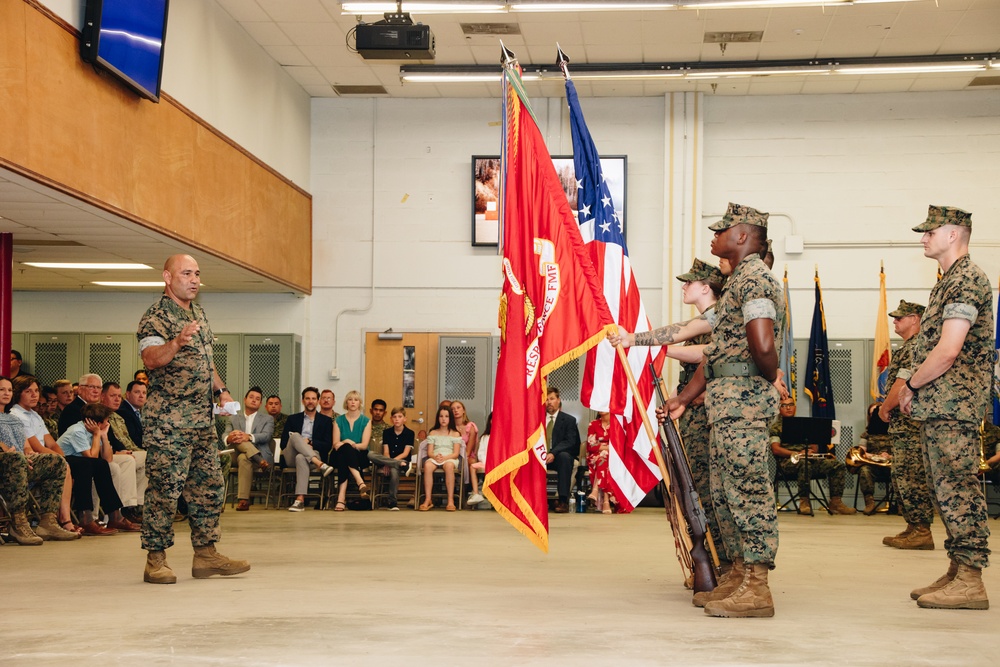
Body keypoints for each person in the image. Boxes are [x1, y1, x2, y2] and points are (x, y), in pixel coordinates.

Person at [665, 202, 785, 618]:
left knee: (748, 492)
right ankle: (736, 572)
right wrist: (683, 398)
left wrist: (766, 377)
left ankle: (757, 585)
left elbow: (763, 345)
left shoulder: (756, 280)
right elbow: (716, 353)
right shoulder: (736, 283)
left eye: (721, 232)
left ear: (742, 236)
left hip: (744, 404)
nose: (714, 238)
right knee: (725, 492)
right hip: (725, 403)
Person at [899, 205, 994, 610]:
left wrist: (911, 385)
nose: (923, 237)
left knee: (958, 487)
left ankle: (971, 577)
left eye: (930, 232)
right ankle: (958, 569)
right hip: (940, 406)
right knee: (945, 489)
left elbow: (948, 350)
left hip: (954, 405)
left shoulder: (967, 279)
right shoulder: (948, 281)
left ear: (954, 234)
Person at [137, 254, 250, 584]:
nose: (194, 279)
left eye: (197, 273)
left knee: (210, 487)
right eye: (186, 273)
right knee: (165, 491)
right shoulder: (156, 316)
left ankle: (205, 555)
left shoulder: (198, 313)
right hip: (168, 423)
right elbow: (150, 359)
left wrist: (223, 391)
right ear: (168, 277)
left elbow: (205, 361)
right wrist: (176, 342)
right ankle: (155, 560)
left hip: (201, 421)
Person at [877, 300, 936, 549]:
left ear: (915, 319)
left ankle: (922, 531)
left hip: (911, 425)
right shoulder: (909, 346)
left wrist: (884, 407)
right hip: (904, 425)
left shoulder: (915, 347)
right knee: (902, 477)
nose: (895, 322)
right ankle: (913, 526)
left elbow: (902, 384)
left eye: (900, 318)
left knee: (912, 477)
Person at [0, 376, 80, 544]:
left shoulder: (13, 419)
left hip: (20, 462)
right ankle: (18, 523)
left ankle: (48, 522)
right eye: (1, 390)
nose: (6, 393)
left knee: (56, 462)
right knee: (15, 458)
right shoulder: (17, 413)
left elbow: (26, 446)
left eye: (8, 390)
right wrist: (10, 452)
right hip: (6, 462)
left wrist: (29, 453)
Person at [57, 403, 139, 535]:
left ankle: (115, 516)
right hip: (63, 461)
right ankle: (85, 518)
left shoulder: (95, 431)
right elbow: (92, 458)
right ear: (97, 423)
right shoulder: (77, 431)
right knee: (88, 465)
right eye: (106, 421)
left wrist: (104, 436)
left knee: (102, 465)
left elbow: (107, 459)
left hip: (82, 463)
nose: (108, 423)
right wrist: (96, 435)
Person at [769, 397, 856, 515]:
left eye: (790, 404)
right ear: (779, 409)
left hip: (808, 460)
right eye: (784, 405)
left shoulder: (804, 424)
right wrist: (797, 454)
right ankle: (804, 501)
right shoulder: (776, 427)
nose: (788, 408)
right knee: (804, 465)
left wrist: (810, 451)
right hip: (789, 462)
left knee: (837, 465)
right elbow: (775, 449)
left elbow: (814, 447)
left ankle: (836, 502)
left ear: (795, 407)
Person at [281, 386, 335, 512]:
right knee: (294, 436)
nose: (310, 401)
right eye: (307, 398)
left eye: (313, 398)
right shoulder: (292, 419)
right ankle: (320, 465)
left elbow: (327, 445)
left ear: (318, 401)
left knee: (301, 457)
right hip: (291, 456)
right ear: (302, 401)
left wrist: (310, 443)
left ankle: (300, 500)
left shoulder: (326, 421)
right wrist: (300, 442)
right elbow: (283, 444)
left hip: (312, 454)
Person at [222, 386, 274, 511]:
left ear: (261, 403)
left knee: (243, 457)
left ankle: (243, 500)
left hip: (257, 453)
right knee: (237, 436)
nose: (254, 400)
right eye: (251, 397)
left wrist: (248, 437)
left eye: (257, 399)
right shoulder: (233, 418)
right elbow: (225, 434)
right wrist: (230, 438)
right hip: (253, 458)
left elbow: (266, 436)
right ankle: (257, 458)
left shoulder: (268, 419)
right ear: (245, 400)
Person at [331, 390, 372, 511]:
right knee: (344, 453)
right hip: (338, 454)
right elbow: (335, 444)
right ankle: (360, 482)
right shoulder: (338, 420)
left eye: (356, 400)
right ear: (346, 403)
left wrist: (348, 443)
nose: (353, 402)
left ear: (360, 403)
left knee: (345, 455)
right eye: (350, 399)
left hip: (360, 456)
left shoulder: (366, 421)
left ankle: (341, 498)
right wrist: (347, 442)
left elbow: (364, 445)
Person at [367, 407, 414, 510]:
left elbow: (405, 453)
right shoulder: (387, 432)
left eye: (400, 417)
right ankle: (399, 465)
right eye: (394, 417)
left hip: (402, 460)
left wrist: (392, 463)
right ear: (391, 419)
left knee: (393, 470)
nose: (397, 419)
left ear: (404, 419)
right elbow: (386, 452)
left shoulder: (410, 433)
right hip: (390, 461)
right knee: (370, 454)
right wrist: (389, 462)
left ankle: (392, 502)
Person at [418, 406, 463, 511]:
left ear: (450, 418)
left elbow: (456, 453)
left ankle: (450, 500)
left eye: (446, 416)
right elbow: (429, 452)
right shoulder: (433, 433)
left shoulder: (455, 434)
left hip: (450, 457)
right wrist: (435, 457)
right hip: (435, 457)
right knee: (428, 465)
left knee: (449, 466)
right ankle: (428, 499)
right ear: (438, 418)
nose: (443, 419)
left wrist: (445, 458)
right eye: (441, 416)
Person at [852, 403, 893, 516]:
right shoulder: (867, 434)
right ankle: (869, 503)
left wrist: (889, 456)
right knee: (864, 470)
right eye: (872, 414)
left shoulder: (894, 433)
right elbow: (861, 451)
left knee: (902, 469)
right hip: (874, 466)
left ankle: (900, 504)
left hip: (890, 466)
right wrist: (875, 456)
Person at [544, 387, 580, 514]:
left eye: (552, 399)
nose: (549, 402)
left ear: (558, 400)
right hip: (540, 456)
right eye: (546, 399)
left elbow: (570, 442)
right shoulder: (536, 419)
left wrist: (553, 453)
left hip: (558, 457)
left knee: (565, 458)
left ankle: (562, 500)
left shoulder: (569, 420)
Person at [451, 400, 483, 506]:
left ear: (463, 410)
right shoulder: (449, 428)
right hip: (451, 455)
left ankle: (469, 491)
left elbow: (468, 451)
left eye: (458, 407)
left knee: (470, 461)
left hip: (466, 455)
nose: (456, 410)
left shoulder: (471, 427)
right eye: (453, 409)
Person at [585, 412, 615, 514]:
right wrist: (607, 447)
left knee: (604, 457)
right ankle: (606, 501)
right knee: (603, 457)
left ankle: (595, 489)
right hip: (595, 457)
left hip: (614, 458)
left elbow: (618, 445)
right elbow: (591, 446)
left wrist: (603, 447)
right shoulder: (593, 424)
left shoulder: (617, 424)